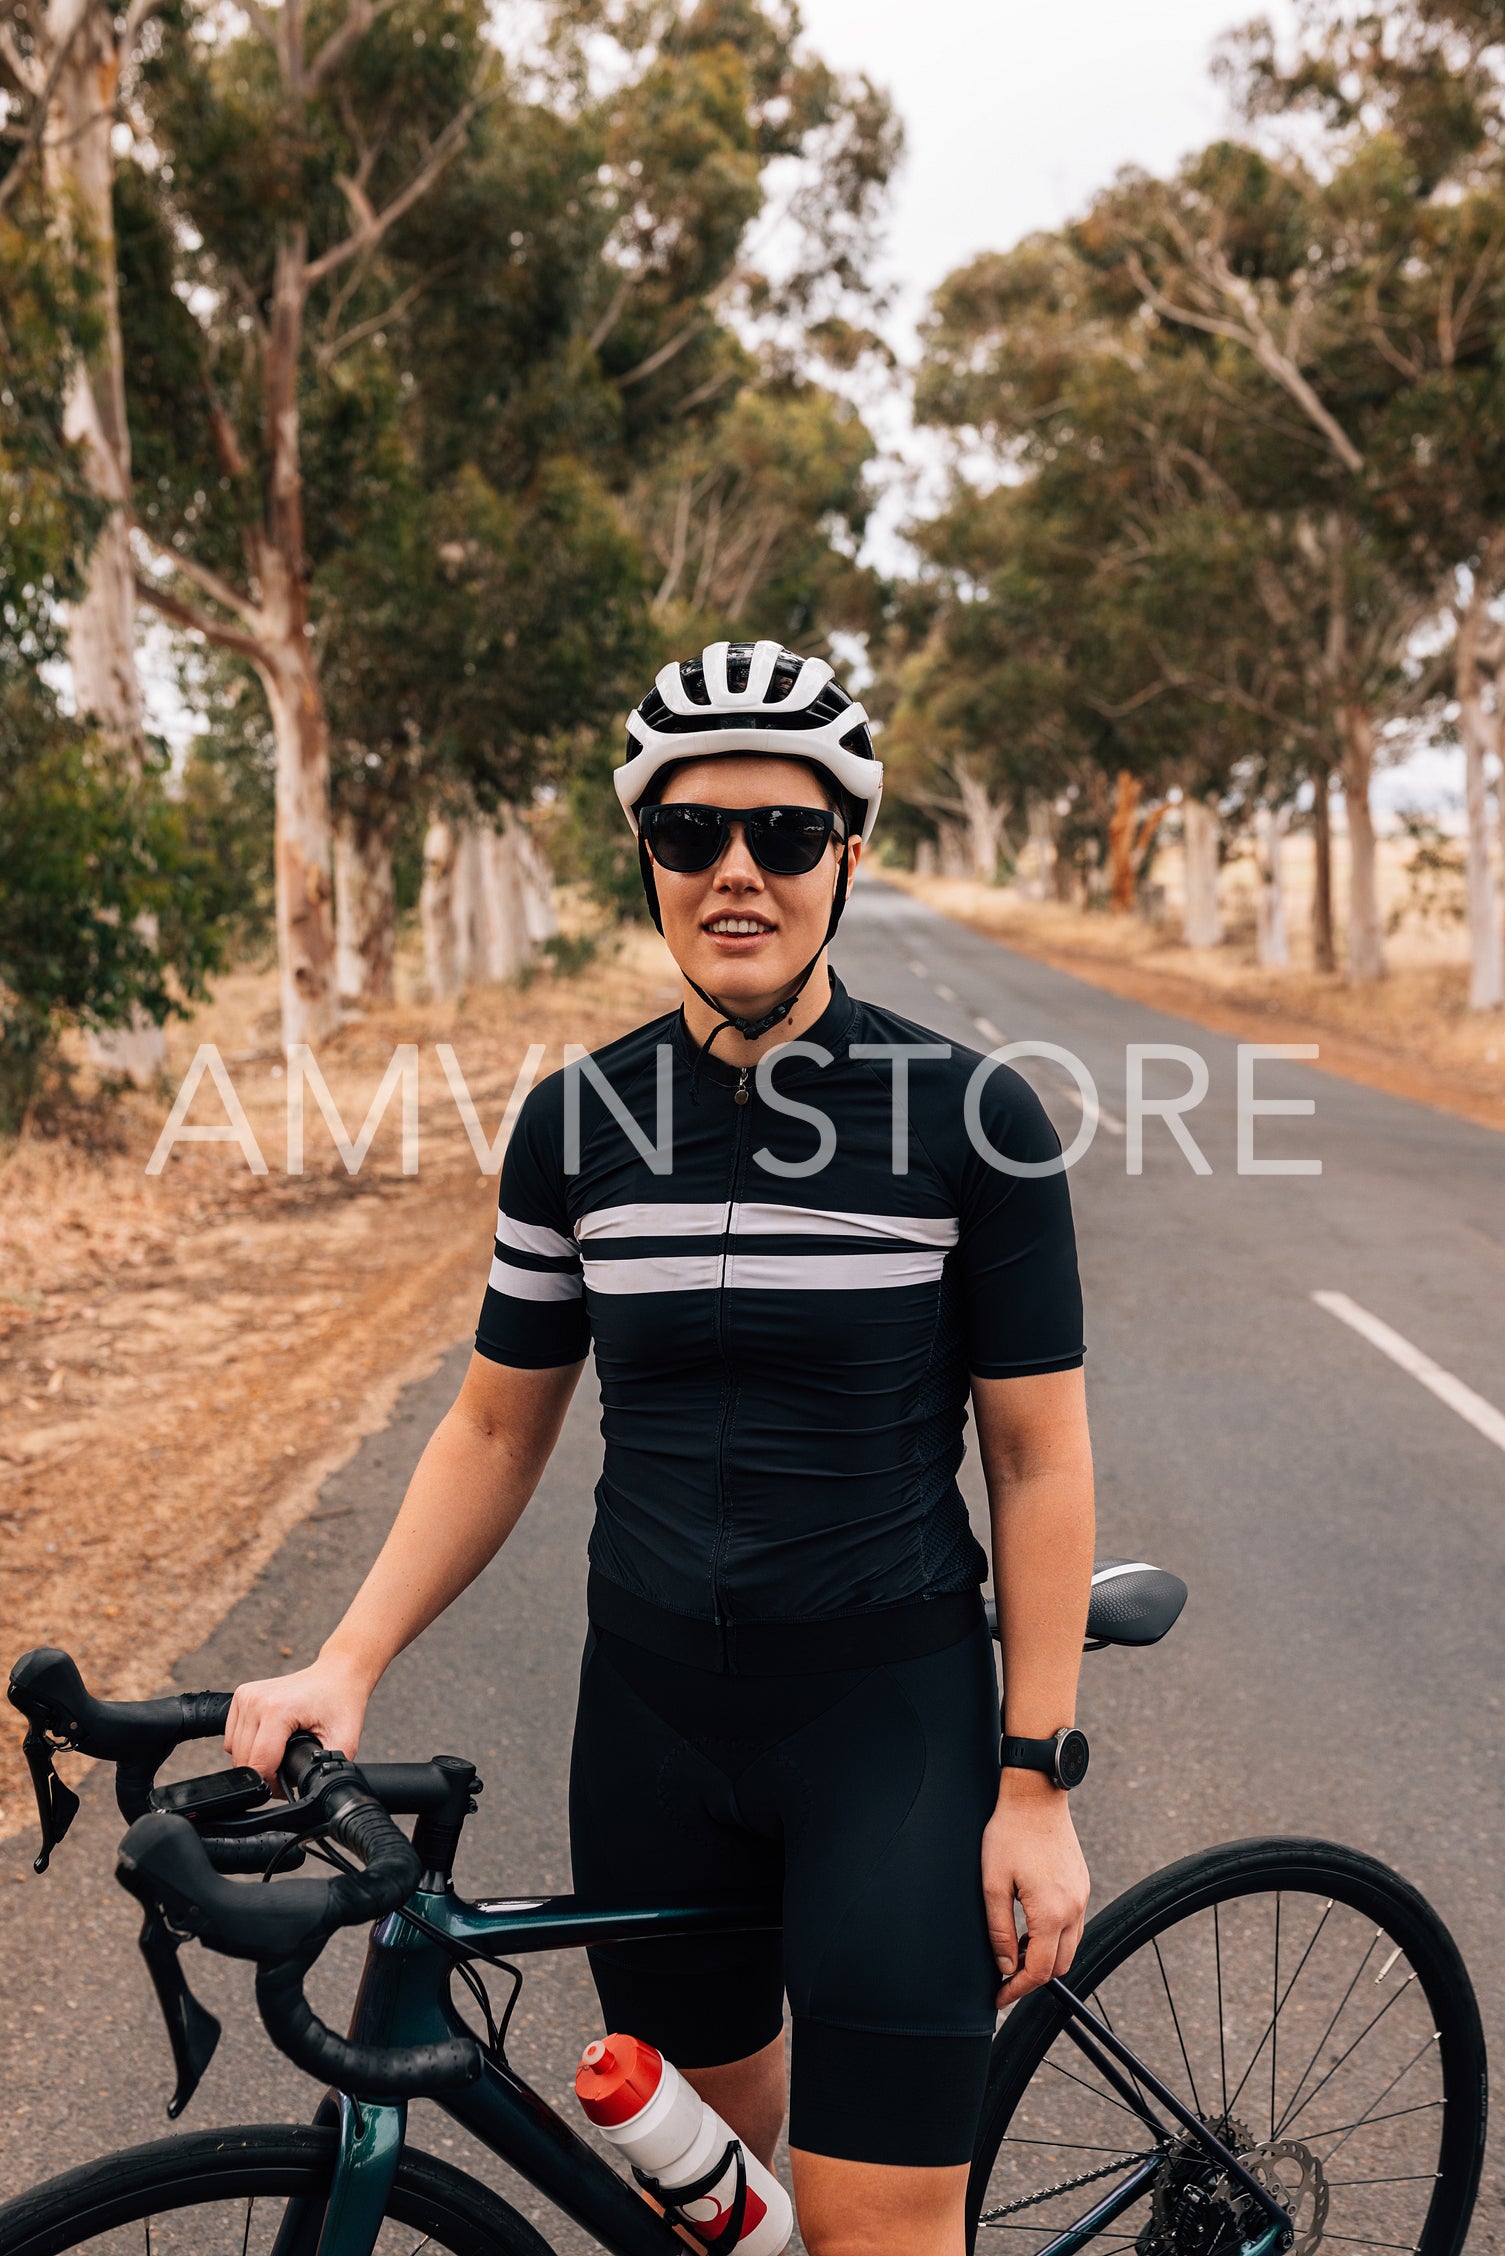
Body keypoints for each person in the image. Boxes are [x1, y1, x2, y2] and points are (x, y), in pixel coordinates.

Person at [227, 640, 1094, 2256]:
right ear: (647, 858)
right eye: (692, 838)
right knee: (707, 2210)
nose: (737, 874)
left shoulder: (971, 1119)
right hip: (649, 1732)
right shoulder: (576, 1124)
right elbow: (495, 1421)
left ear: (848, 849)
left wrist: (1033, 1780)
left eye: (782, 832)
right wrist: (345, 1660)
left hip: (885, 1735)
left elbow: (1038, 1462)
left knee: (864, 2234)